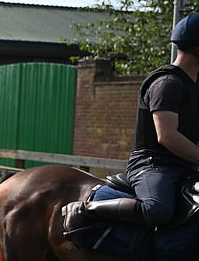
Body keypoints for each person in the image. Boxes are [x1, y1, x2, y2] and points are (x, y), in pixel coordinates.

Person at [62, 14, 199, 234]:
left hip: (184, 165)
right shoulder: (168, 84)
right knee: (157, 210)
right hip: (153, 164)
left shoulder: (195, 84)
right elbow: (167, 136)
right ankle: (87, 209)